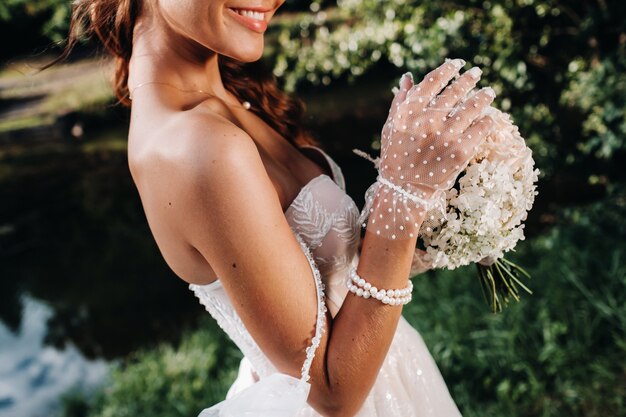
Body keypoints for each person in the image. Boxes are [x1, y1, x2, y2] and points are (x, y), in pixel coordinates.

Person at [57, 0, 496, 415]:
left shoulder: (226, 91)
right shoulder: (193, 148)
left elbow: (329, 277)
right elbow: (330, 392)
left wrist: (450, 218)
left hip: (397, 371)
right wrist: (403, 193)